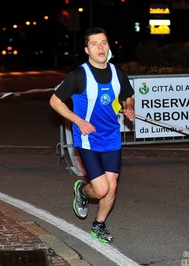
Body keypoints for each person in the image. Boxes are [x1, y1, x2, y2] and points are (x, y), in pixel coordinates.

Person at [49, 27, 135, 243]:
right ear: (87, 49)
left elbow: (128, 96)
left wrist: (129, 107)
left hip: (112, 137)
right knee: (101, 189)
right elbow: (54, 101)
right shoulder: (79, 75)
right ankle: (83, 191)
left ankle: (99, 224)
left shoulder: (118, 73)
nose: (100, 47)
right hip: (88, 138)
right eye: (95, 43)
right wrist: (78, 121)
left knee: (112, 187)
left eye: (104, 43)